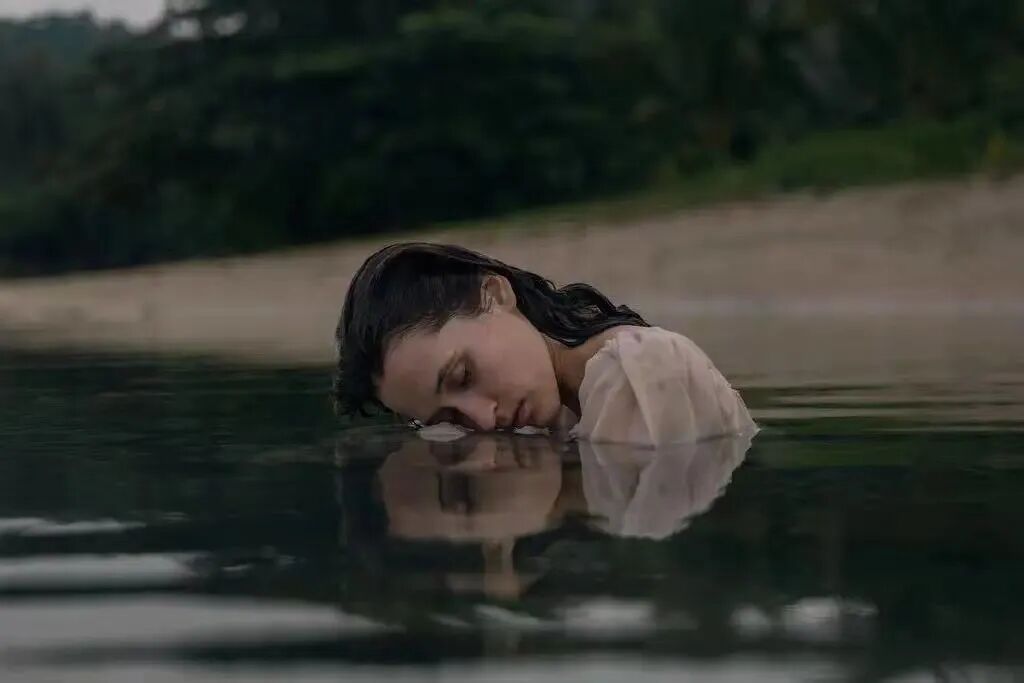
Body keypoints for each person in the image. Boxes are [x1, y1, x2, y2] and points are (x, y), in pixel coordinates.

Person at [333, 242, 755, 446]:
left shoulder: (636, 373)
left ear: (495, 295)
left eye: (463, 376)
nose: (483, 419)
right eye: (450, 417)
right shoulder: (573, 406)